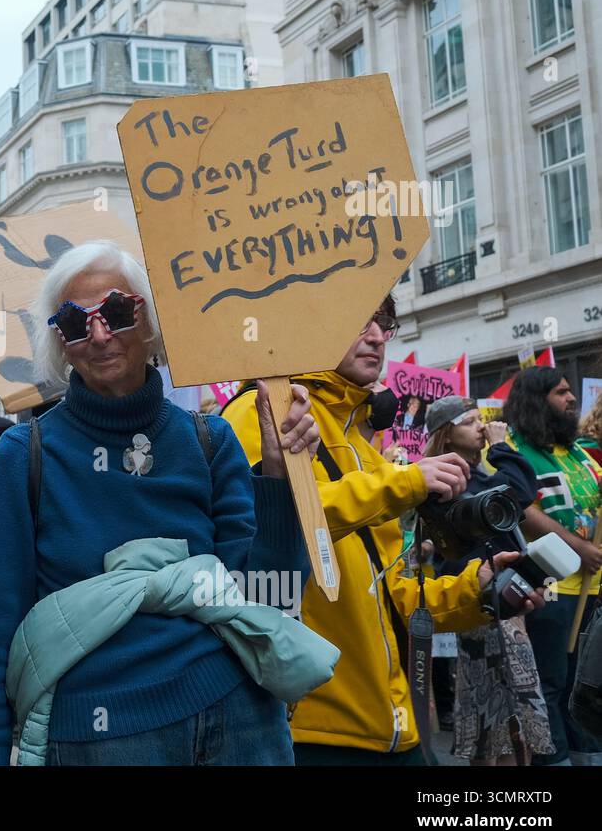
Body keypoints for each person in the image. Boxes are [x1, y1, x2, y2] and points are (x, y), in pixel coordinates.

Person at [0, 241, 331, 766]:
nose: (98, 335)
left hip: (236, 717)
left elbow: (270, 599)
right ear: (60, 344)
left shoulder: (212, 441)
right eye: (73, 323)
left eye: (116, 311)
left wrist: (278, 477)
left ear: (150, 321)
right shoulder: (25, 454)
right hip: (98, 737)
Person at [223, 297, 544, 765]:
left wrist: (474, 592)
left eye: (384, 323)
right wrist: (407, 481)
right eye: (359, 320)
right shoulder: (262, 411)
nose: (376, 336)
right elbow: (283, 521)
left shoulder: (365, 446)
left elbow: (393, 594)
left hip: (394, 727)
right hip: (311, 730)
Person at [421, 396, 552, 765]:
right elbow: (516, 495)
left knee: (511, 718)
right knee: (494, 715)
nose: (482, 426)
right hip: (478, 599)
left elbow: (522, 493)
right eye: (471, 421)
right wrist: (500, 448)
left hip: (505, 599)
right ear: (446, 435)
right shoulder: (444, 480)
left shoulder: (477, 475)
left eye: (483, 419)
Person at [504, 367, 602, 765]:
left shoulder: (579, 451)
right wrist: (579, 547)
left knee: (587, 688)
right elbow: (521, 508)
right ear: (536, 399)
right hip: (551, 590)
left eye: (570, 391)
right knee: (552, 685)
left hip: (591, 592)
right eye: (561, 392)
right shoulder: (513, 452)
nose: (571, 398)